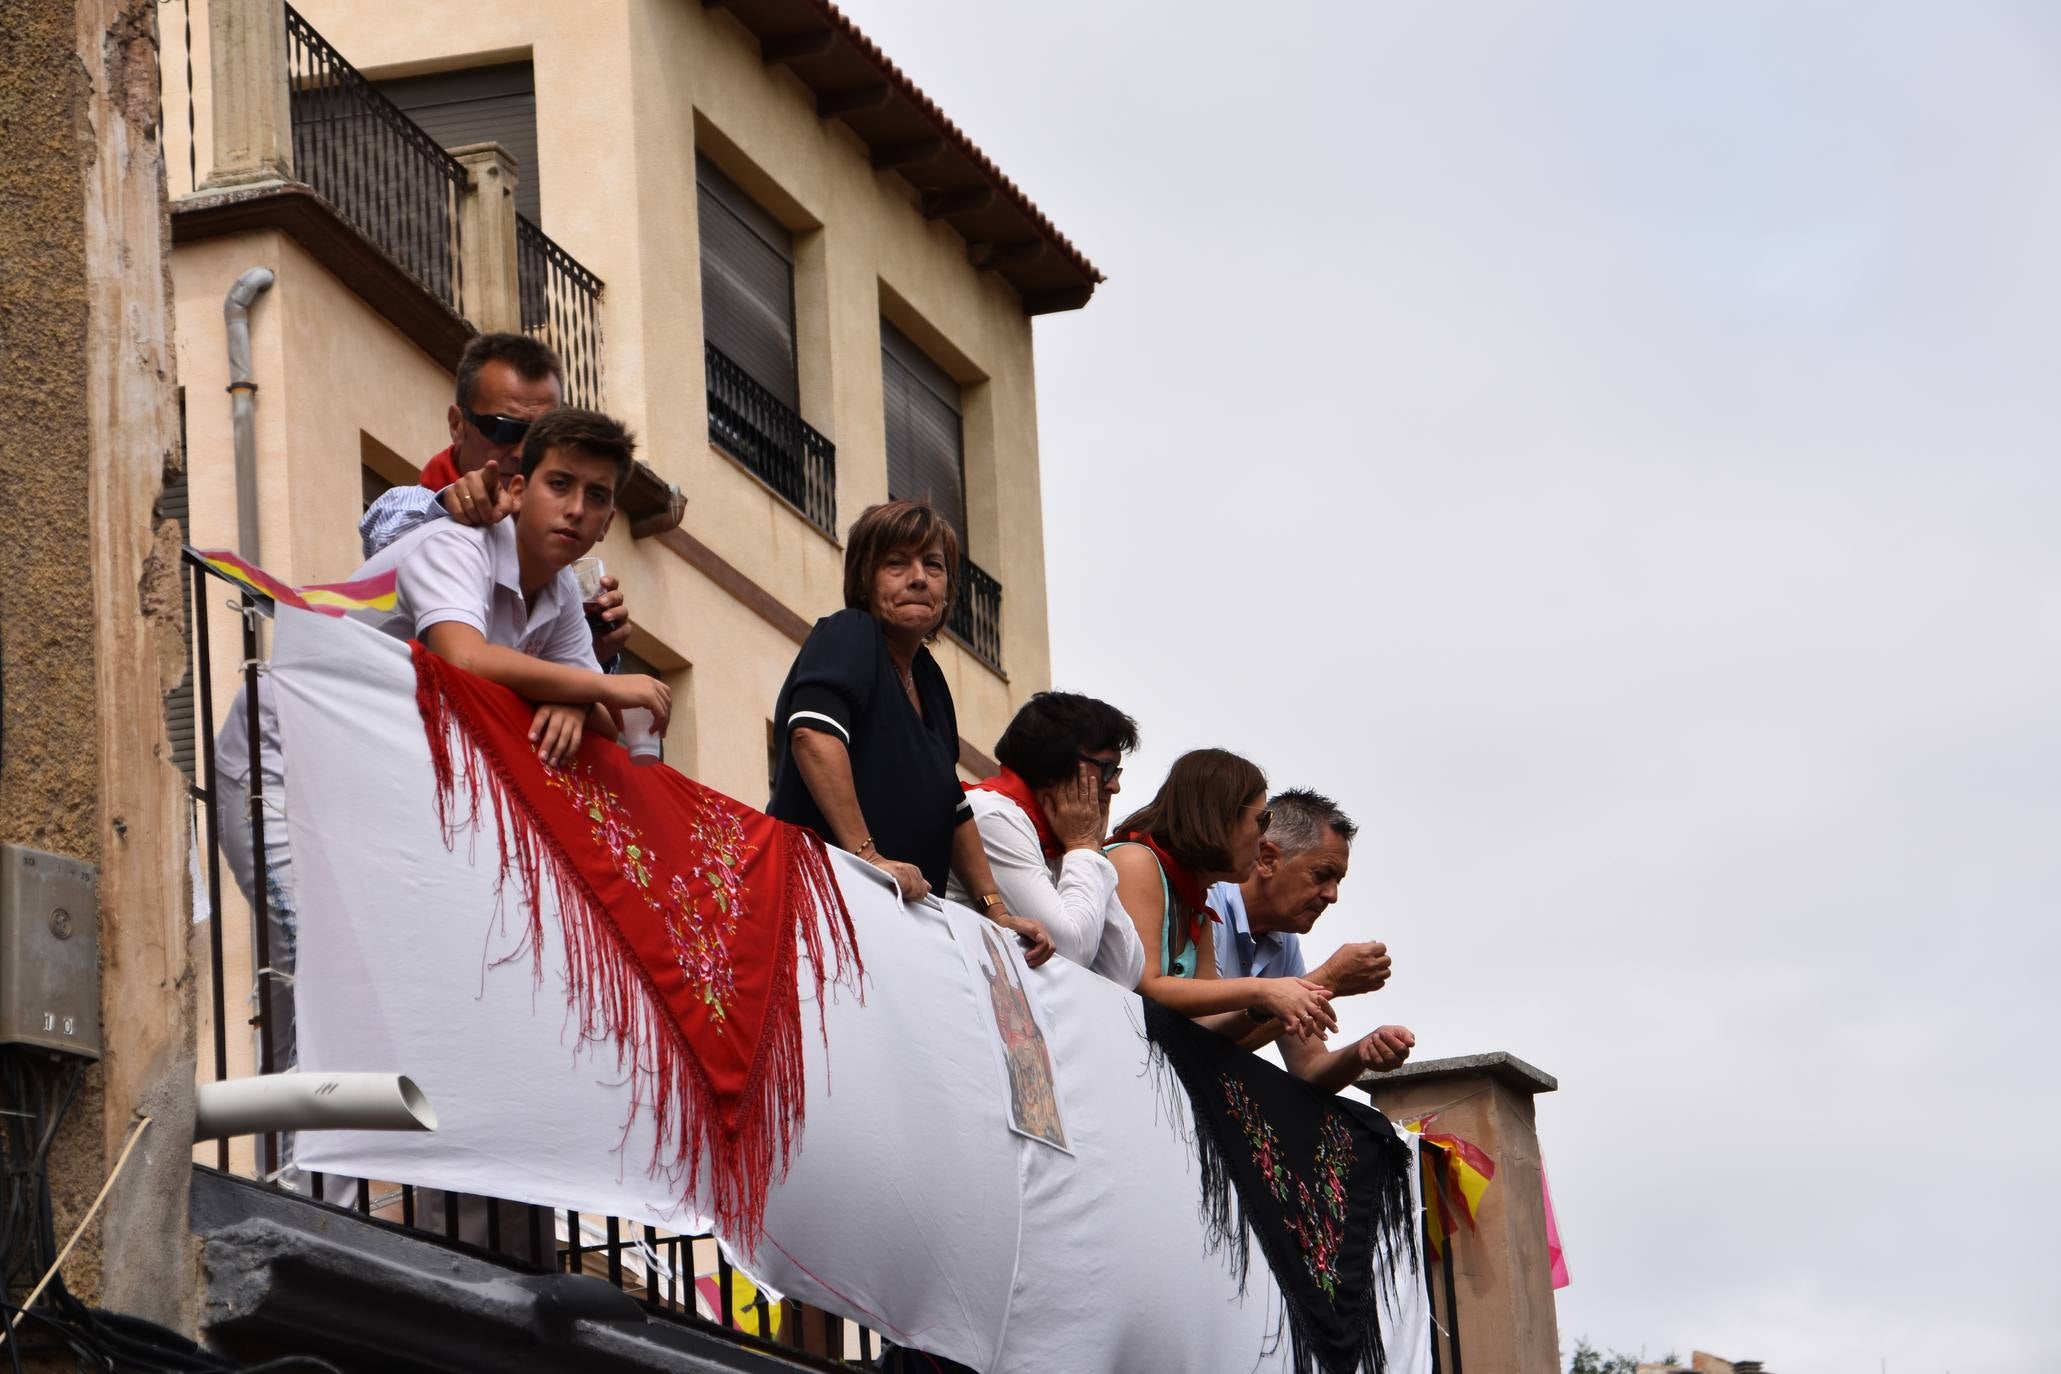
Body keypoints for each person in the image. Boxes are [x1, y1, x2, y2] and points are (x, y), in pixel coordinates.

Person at [215, 408, 670, 1093]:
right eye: (560, 484)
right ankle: (293, 1189)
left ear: (609, 522)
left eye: (597, 497)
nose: (577, 509)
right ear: (515, 489)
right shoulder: (456, 545)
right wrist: (595, 684)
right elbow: (465, 657)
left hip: (360, 791)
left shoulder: (560, 602)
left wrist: (579, 699)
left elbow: (610, 723)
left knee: (355, 992)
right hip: (278, 768)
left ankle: (320, 1189)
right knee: (327, 975)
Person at [767, 499, 1053, 965]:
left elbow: (952, 805)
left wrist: (996, 911)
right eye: (897, 563)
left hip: (892, 927)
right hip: (815, 907)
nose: (919, 577)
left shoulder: (930, 680)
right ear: (865, 579)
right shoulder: (848, 634)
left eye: (933, 565)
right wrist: (871, 858)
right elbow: (812, 737)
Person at [356, 331, 631, 666]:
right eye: (504, 429)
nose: (523, 453)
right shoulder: (418, 508)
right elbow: (397, 536)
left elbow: (568, 684)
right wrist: (451, 508)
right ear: (458, 425)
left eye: (542, 437)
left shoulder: (556, 565)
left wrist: (598, 652)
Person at [1106, 750, 1337, 1039]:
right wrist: (1264, 990)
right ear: (1221, 817)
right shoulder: (1136, 861)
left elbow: (1205, 1024)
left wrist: (1259, 1010)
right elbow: (1148, 986)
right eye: (1261, 820)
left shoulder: (1197, 897)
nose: (1264, 837)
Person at [1211, 789, 1416, 1091]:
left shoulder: (1283, 941)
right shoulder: (1208, 902)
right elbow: (1201, 1040)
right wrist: (1329, 980)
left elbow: (1309, 1068)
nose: (1332, 895)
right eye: (1322, 875)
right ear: (1267, 859)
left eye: (1338, 881)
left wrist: (1362, 1051)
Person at [946, 692, 1145, 987]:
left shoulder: (1067, 834)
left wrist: (1092, 850)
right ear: (1056, 763)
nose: (1114, 786)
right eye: (1104, 769)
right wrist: (1083, 848)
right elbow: (1070, 952)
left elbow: (1123, 973)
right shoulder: (992, 815)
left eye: (1115, 771)